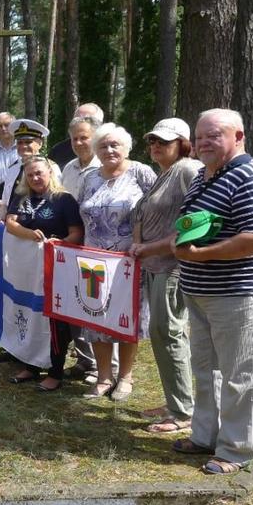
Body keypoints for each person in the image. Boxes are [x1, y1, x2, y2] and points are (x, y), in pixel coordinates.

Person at [170, 109, 253, 475]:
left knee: (238, 374)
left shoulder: (250, 177)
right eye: (200, 136)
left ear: (239, 136)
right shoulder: (203, 176)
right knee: (205, 368)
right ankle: (204, 436)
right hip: (200, 291)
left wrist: (202, 255)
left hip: (238, 292)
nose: (203, 142)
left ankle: (234, 451)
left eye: (214, 135)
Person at [128, 118, 202, 434]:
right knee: (163, 334)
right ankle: (176, 401)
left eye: (164, 141)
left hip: (173, 266)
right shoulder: (164, 174)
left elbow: (195, 222)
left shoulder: (187, 170)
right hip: (155, 265)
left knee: (168, 333)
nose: (156, 146)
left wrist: (153, 247)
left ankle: (183, 411)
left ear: (183, 143)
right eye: (152, 141)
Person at [78, 123, 156, 401]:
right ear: (95, 149)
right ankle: (103, 377)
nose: (109, 150)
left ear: (126, 147)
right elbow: (81, 213)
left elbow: (155, 212)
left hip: (129, 262)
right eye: (103, 145)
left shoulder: (141, 173)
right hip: (94, 262)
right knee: (97, 317)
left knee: (126, 318)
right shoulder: (89, 178)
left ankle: (125, 377)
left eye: (115, 145)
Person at [5, 156, 84, 391]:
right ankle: (30, 365)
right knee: (29, 314)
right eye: (30, 175)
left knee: (54, 320)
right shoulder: (21, 197)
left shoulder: (64, 200)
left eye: (39, 173)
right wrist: (30, 235)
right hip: (27, 271)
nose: (35, 178)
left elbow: (77, 233)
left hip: (56, 270)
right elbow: (10, 223)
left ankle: (55, 371)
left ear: (50, 172)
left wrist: (58, 245)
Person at [59, 116, 102, 383]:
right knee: (75, 304)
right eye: (74, 138)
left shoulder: (105, 166)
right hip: (72, 243)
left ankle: (103, 367)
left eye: (84, 137)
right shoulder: (69, 169)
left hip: (98, 246)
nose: (78, 142)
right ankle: (84, 360)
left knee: (97, 306)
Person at [0, 119, 61, 220]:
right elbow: (5, 203)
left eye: (28, 142)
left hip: (40, 226)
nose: (23, 146)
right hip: (11, 228)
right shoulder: (13, 169)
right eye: (19, 142)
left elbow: (57, 200)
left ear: (40, 143)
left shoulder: (51, 168)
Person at [50, 103, 104, 168]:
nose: (81, 123)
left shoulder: (109, 157)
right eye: (77, 120)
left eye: (88, 120)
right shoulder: (58, 152)